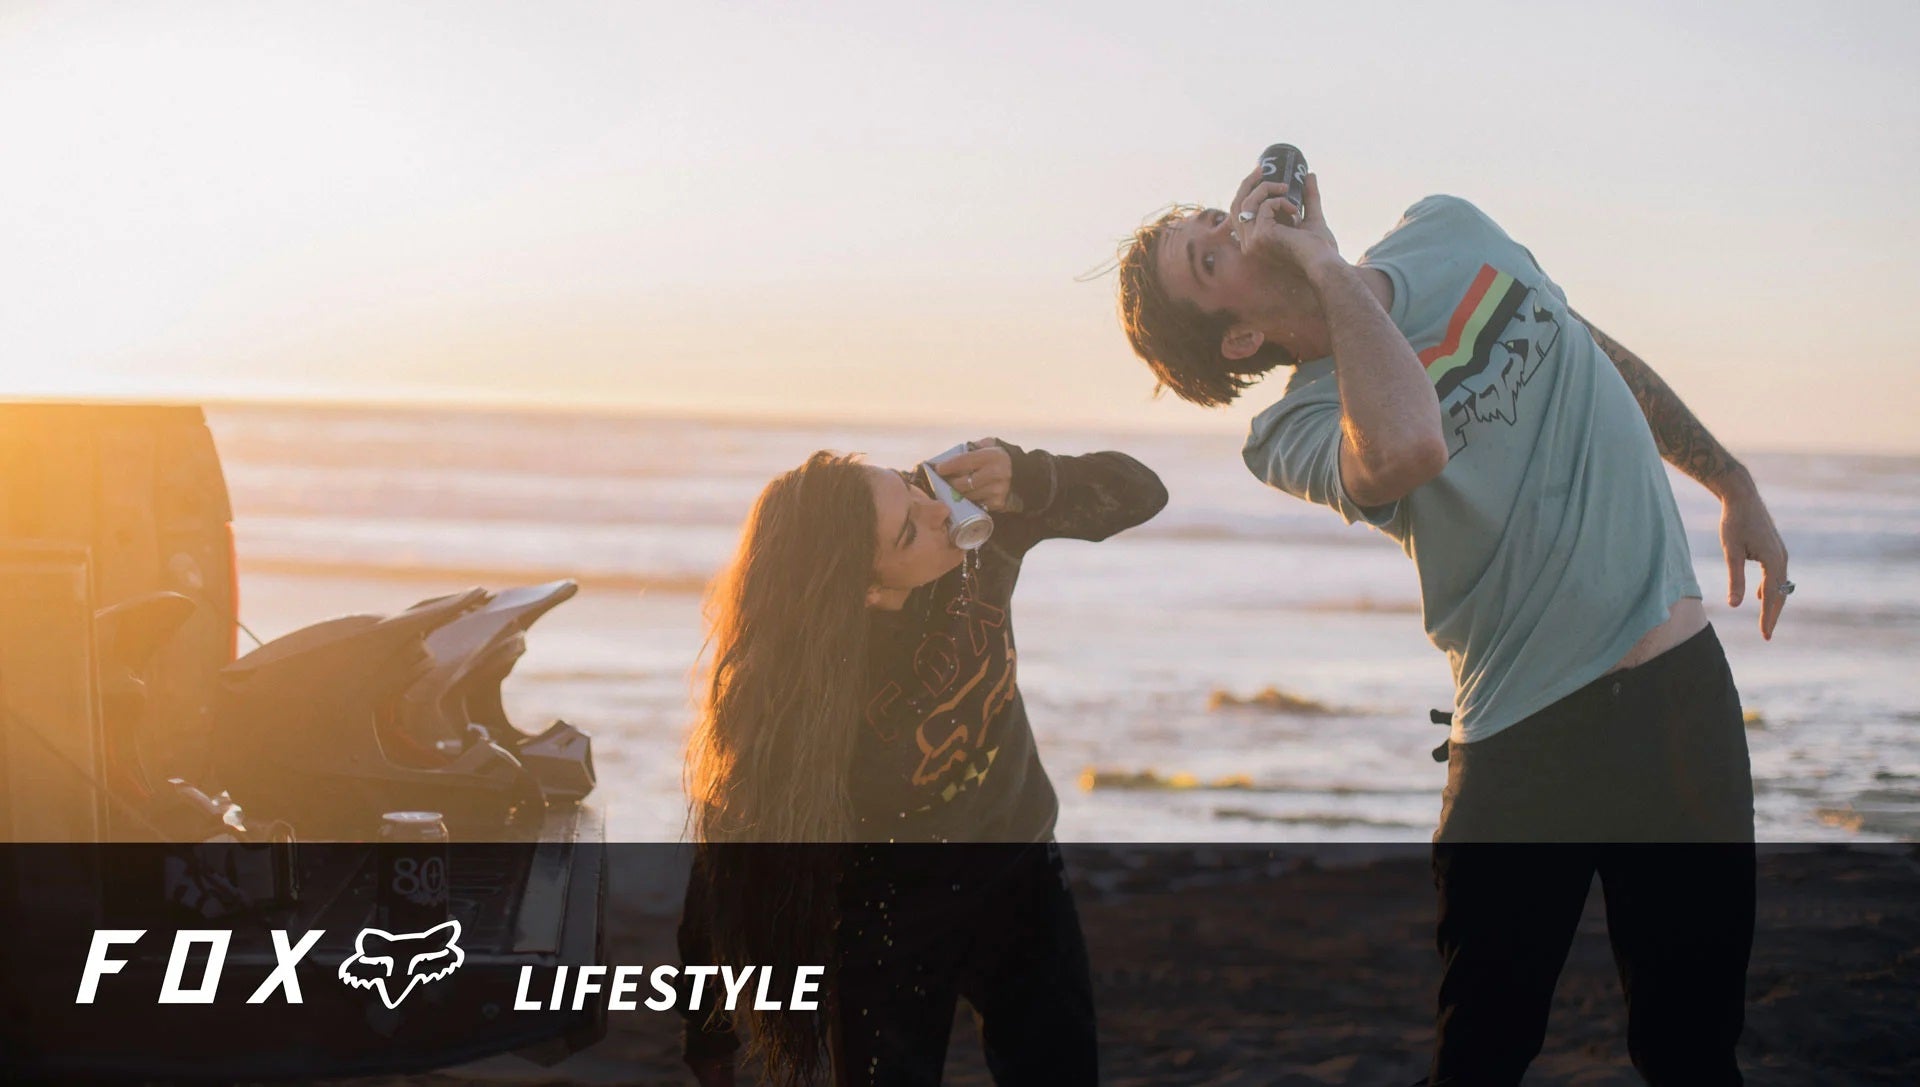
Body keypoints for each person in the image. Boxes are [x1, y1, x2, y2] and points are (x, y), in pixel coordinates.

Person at [1112, 167, 1790, 1085]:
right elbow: (1407, 445)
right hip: (1524, 746)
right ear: (1239, 336)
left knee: (1693, 1050)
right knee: (1480, 1058)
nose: (1232, 227)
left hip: (1679, 704)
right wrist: (1322, 264)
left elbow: (1585, 344)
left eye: (1212, 215)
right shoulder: (1292, 429)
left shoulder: (1447, 225)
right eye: (1207, 254)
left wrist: (1729, 478)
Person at [678, 439, 1167, 1086]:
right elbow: (730, 865)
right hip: (887, 908)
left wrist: (1033, 477)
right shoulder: (791, 698)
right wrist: (707, 1034)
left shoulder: (970, 520)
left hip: (1016, 858)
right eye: (910, 529)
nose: (936, 513)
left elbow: (1141, 493)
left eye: (908, 487)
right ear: (865, 590)